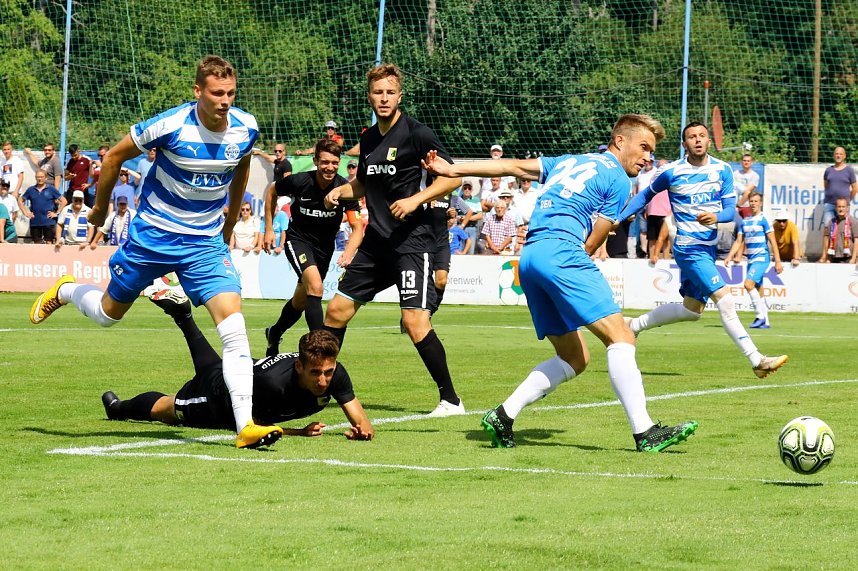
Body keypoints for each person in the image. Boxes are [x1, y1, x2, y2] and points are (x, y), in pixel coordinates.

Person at [28, 55, 281, 450]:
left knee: (234, 329)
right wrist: (99, 207)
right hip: (153, 238)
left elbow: (242, 166)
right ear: (198, 92)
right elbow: (112, 157)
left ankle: (245, 426)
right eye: (216, 93)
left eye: (231, 93)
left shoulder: (245, 127)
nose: (224, 101)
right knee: (108, 315)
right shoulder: (170, 125)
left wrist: (229, 222)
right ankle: (66, 290)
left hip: (203, 244)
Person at [424, 113, 698, 451]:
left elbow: (512, 167)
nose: (647, 158)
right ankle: (645, 431)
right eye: (643, 147)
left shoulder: (568, 161)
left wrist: (453, 170)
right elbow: (596, 237)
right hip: (561, 252)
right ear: (620, 141)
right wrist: (572, 263)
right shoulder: (618, 180)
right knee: (621, 335)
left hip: (529, 259)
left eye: (652, 152)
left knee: (575, 357)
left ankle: (503, 415)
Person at [323, 63, 465, 417]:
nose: (383, 98)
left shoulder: (417, 134)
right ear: (369, 96)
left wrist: (416, 200)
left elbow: (453, 177)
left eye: (390, 92)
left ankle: (451, 400)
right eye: (377, 92)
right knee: (336, 311)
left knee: (416, 321)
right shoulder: (369, 138)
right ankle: (320, 387)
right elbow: (366, 184)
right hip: (375, 244)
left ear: (400, 95)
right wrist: (343, 190)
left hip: (412, 244)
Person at [619, 122, 788, 379]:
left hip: (708, 249)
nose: (697, 140)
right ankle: (757, 359)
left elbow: (731, 211)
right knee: (726, 299)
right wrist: (618, 218)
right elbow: (644, 197)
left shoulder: (722, 170)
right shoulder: (670, 172)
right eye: (691, 137)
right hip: (688, 248)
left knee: (691, 311)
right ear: (684, 144)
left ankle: (634, 325)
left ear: (709, 141)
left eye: (702, 136)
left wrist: (716, 216)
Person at [102, 293, 373, 441]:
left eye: (327, 372)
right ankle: (118, 409)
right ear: (299, 367)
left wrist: (362, 429)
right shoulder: (274, 385)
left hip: (240, 368)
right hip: (221, 396)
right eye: (316, 373)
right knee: (169, 409)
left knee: (214, 366)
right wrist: (300, 433)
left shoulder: (335, 371)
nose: (324, 380)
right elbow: (251, 426)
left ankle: (184, 316)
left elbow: (361, 420)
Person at [263, 139, 364, 351]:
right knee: (316, 288)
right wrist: (270, 229)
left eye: (335, 162)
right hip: (297, 241)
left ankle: (275, 332)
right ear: (315, 160)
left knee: (301, 301)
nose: (330, 167)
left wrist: (348, 252)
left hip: (324, 250)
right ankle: (319, 349)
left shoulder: (345, 189)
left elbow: (357, 228)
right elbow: (272, 191)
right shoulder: (299, 181)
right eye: (325, 162)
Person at [724, 192, 783, 329]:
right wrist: (729, 256)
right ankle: (766, 321)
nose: (753, 203)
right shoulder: (745, 221)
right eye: (751, 201)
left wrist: (777, 261)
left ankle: (759, 316)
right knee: (758, 288)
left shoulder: (764, 219)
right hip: (751, 259)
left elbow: (772, 241)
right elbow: (738, 242)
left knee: (748, 284)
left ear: (760, 203)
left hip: (761, 257)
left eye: (756, 201)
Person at [19, 169, 62, 244]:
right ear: (35, 178)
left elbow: (64, 201)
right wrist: (26, 213)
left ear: (46, 178)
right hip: (35, 222)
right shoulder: (31, 190)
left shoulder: (51, 189)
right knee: (37, 244)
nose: (40, 179)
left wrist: (56, 213)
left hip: (49, 221)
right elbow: (20, 201)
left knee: (49, 242)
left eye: (42, 177)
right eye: (38, 177)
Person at [822, 147, 857, 227]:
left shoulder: (849, 171)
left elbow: (855, 188)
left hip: (843, 206)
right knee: (827, 228)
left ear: (844, 156)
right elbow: (826, 185)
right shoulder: (828, 170)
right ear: (833, 155)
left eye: (841, 154)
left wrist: (847, 200)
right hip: (830, 204)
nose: (838, 156)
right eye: (837, 154)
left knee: (844, 230)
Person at [819, 197, 858, 264]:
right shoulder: (831, 222)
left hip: (848, 258)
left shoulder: (853, 221)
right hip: (834, 258)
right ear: (835, 208)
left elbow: (856, 241)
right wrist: (827, 258)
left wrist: (854, 258)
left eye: (843, 207)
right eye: (839, 207)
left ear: (847, 208)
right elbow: (826, 239)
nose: (841, 209)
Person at [733, 153, 760, 219]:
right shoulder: (735, 173)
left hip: (747, 206)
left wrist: (738, 205)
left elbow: (747, 192)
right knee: (734, 228)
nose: (746, 162)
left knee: (746, 227)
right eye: (744, 160)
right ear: (741, 162)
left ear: (752, 162)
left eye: (748, 161)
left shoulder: (754, 176)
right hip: (734, 206)